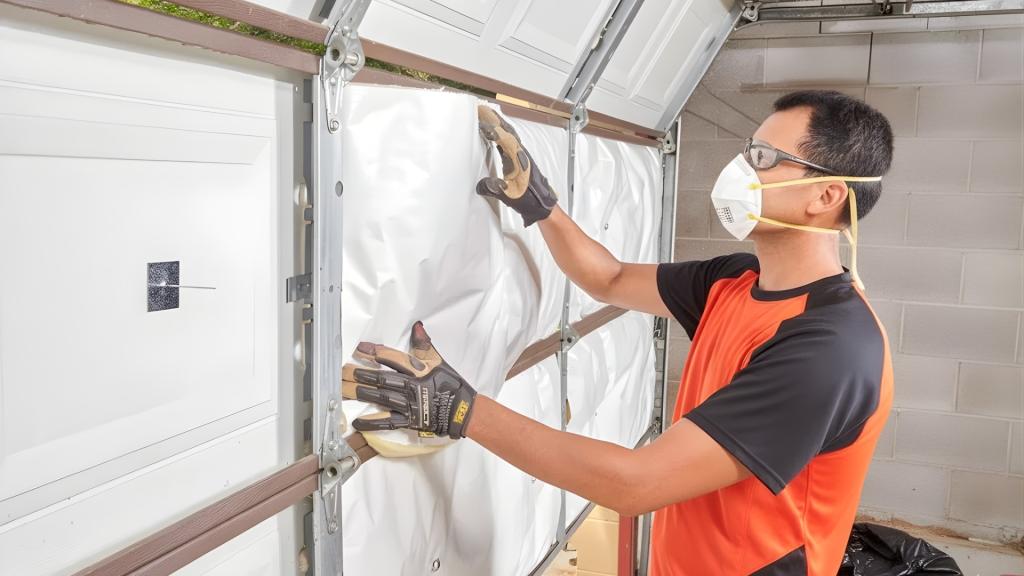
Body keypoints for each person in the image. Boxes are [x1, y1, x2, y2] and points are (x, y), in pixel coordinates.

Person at [342, 90, 896, 575]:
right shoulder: (735, 280)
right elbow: (607, 278)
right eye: (747, 152)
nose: (741, 170)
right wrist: (541, 205)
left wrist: (460, 410)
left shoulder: (831, 348)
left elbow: (637, 484)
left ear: (827, 196)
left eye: (765, 158)